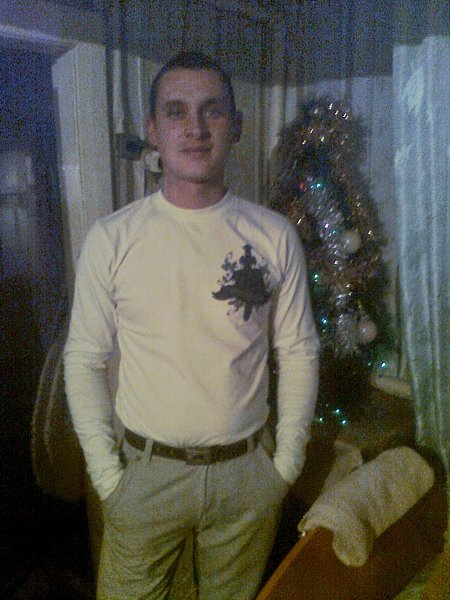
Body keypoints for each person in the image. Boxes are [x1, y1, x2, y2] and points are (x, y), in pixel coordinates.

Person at [64, 51, 320, 600]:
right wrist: (107, 477)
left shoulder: (273, 235)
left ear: (236, 125)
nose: (196, 127)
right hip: (144, 476)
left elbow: (299, 351)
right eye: (176, 111)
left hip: (247, 476)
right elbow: (83, 359)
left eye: (213, 110)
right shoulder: (112, 238)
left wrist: (285, 466)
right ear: (154, 129)